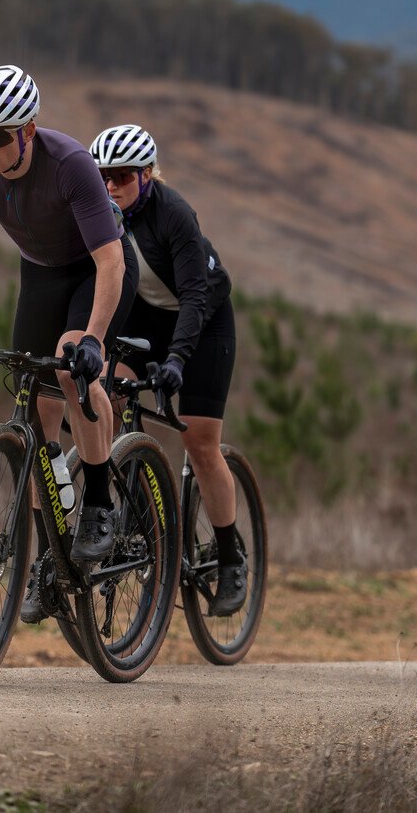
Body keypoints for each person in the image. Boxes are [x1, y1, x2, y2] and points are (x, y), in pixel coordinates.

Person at [0, 65, 137, 624]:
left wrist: (92, 339)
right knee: (34, 412)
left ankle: (97, 507)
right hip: (42, 274)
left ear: (30, 130)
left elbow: (110, 260)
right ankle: (52, 560)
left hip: (99, 269)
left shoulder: (70, 164)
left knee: (71, 368)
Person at [89, 123, 249, 617]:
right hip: (145, 318)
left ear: (146, 175)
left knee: (200, 442)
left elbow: (196, 296)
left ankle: (229, 556)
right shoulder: (96, 213)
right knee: (105, 391)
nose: (110, 186)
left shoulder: (173, 213)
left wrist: (178, 358)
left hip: (202, 321)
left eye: (120, 176)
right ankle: (124, 497)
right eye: (101, 177)